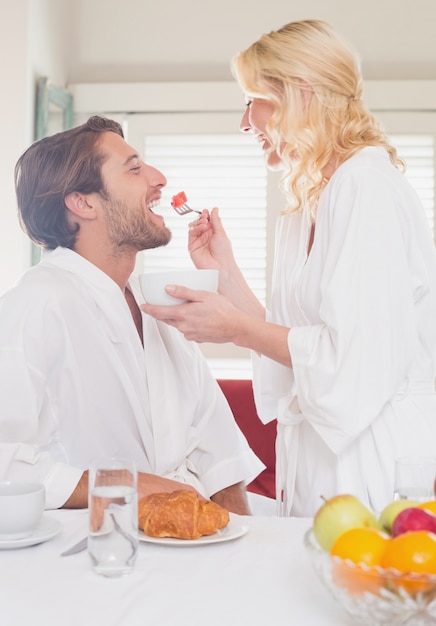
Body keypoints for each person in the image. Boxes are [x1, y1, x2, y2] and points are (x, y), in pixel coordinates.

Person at [141, 20, 436, 517]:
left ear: (300, 95)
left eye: (251, 100)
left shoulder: (366, 188)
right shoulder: (306, 204)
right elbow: (297, 340)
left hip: (370, 456)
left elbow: (350, 360)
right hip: (320, 451)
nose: (244, 122)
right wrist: (227, 273)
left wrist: (235, 329)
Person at [0, 115, 264, 513]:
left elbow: (220, 457)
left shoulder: (157, 306)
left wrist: (237, 544)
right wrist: (129, 485)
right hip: (85, 555)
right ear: (83, 202)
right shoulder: (34, 306)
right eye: (135, 168)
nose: (158, 178)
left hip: (187, 551)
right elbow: (7, 461)